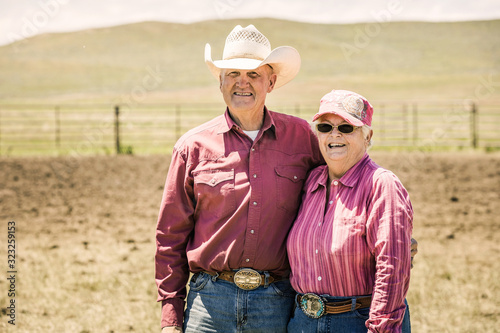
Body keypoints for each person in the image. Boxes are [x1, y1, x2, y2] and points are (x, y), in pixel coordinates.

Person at [155, 25, 418, 333]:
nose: (243, 83)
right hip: (210, 302)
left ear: (271, 81)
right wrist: (170, 319)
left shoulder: (303, 138)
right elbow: (170, 237)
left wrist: (394, 239)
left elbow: (349, 177)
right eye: (233, 74)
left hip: (277, 302)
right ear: (220, 80)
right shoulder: (192, 147)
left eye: (254, 74)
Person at [286, 89, 413, 332]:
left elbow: (392, 268)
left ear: (367, 137)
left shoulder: (381, 185)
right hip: (302, 321)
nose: (334, 135)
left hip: (357, 321)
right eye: (325, 127)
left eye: (346, 128)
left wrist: (380, 328)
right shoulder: (311, 182)